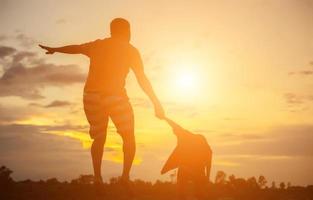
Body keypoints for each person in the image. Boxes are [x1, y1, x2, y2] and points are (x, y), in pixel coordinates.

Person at [39, 18, 165, 186]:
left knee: (99, 138)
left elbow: (76, 48)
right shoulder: (131, 50)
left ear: (111, 31)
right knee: (128, 138)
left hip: (91, 96)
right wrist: (156, 102)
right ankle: (125, 178)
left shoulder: (97, 45)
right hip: (115, 96)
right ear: (127, 32)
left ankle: (97, 177)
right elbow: (142, 79)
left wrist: (55, 49)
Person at [161, 117, 212, 200]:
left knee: (195, 191)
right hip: (189, 169)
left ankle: (191, 194)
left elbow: (174, 125)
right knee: (187, 190)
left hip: (194, 169)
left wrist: (164, 117)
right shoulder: (185, 138)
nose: (175, 134)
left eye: (175, 133)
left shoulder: (186, 136)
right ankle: (187, 195)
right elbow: (208, 161)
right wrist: (207, 177)